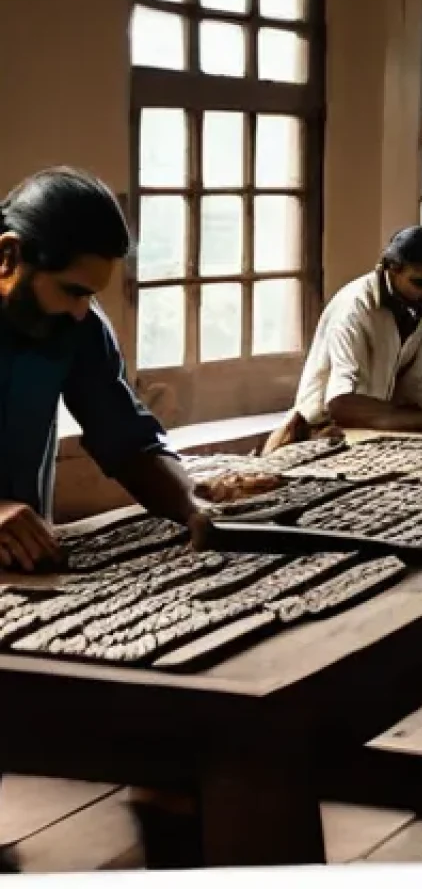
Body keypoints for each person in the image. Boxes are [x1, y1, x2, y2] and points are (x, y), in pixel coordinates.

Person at [0, 167, 214, 872]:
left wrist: (190, 505)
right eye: (71, 290)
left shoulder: (75, 328)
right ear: (8, 257)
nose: (78, 310)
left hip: (16, 573)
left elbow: (125, 437)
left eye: (90, 295)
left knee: (172, 747)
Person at [264, 226, 422, 453]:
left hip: (372, 433)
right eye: (420, 283)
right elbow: (341, 404)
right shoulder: (354, 310)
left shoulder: (419, 307)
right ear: (392, 269)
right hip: (320, 433)